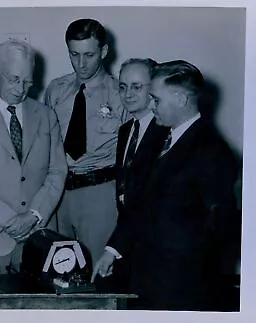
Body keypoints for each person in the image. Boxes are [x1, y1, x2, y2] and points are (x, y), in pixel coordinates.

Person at [92, 60, 239, 310]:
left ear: (181, 99)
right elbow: (140, 202)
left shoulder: (211, 150)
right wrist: (113, 250)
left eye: (156, 100)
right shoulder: (163, 139)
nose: (152, 105)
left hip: (182, 287)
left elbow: (221, 228)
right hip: (149, 277)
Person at [0, 39, 67, 275]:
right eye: (14, 80)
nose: (21, 89)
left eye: (28, 82)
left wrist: (35, 215)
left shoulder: (46, 115)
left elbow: (57, 172)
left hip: (40, 239)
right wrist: (9, 221)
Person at [44, 18, 129, 265]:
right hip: (59, 194)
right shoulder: (56, 90)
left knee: (96, 270)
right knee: (58, 269)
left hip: (99, 192)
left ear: (104, 51)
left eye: (89, 55)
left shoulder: (120, 94)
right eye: (74, 54)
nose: (81, 64)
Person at [91, 58, 169, 284]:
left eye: (137, 87)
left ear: (153, 88)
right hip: (129, 241)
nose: (128, 94)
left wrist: (113, 249)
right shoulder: (126, 130)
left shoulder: (165, 132)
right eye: (123, 87)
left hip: (155, 246)